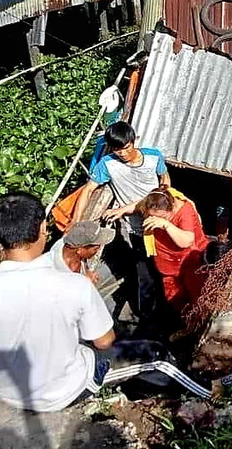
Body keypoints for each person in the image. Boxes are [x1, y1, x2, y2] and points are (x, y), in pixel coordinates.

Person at [0, 192, 209, 413]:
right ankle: (210, 392)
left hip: (13, 395)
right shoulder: (73, 285)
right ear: (44, 229)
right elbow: (105, 341)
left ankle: (139, 389)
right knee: (154, 352)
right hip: (67, 390)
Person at [72, 122, 171, 321]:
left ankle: (169, 305)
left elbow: (165, 179)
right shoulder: (108, 165)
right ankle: (147, 315)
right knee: (144, 270)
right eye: (117, 149)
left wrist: (161, 197)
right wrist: (75, 221)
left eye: (126, 147)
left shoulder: (153, 157)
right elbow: (88, 190)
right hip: (137, 229)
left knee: (166, 266)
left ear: (134, 141)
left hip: (160, 224)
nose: (123, 153)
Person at [137, 188, 210, 318]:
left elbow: (186, 241)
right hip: (168, 266)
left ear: (171, 209)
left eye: (160, 217)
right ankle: (185, 324)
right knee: (175, 298)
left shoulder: (184, 211)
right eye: (151, 216)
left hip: (190, 263)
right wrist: (120, 211)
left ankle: (199, 325)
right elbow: (136, 205)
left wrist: (166, 225)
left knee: (197, 297)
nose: (154, 220)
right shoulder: (153, 203)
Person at [47, 220, 115, 282]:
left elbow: (82, 256)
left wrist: (87, 271)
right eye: (96, 248)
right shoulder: (65, 275)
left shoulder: (69, 241)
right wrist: (85, 282)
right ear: (80, 250)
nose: (99, 249)